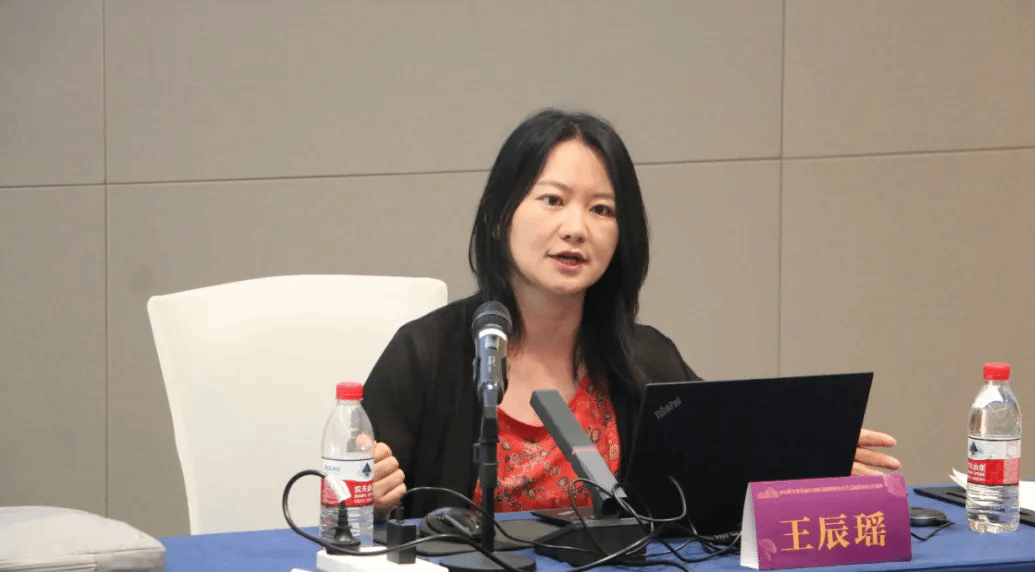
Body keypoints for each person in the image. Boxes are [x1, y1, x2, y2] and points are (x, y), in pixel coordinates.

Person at [363, 109, 900, 519]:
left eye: (602, 209)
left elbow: (723, 461)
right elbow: (351, 506)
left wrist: (810, 461)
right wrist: (367, 499)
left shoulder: (645, 358)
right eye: (553, 200)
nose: (577, 228)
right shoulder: (425, 356)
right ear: (501, 215)